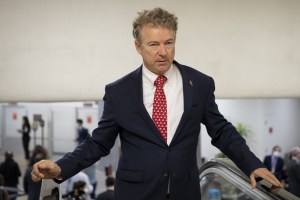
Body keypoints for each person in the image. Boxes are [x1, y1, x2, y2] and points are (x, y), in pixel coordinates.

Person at [32, 7, 282, 200]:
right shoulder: (119, 92)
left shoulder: (200, 83)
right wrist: (59, 167)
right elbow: (98, 143)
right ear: (138, 47)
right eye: (153, 44)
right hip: (135, 194)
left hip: (185, 192)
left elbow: (221, 130)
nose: (163, 52)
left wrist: (253, 164)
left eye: (169, 42)